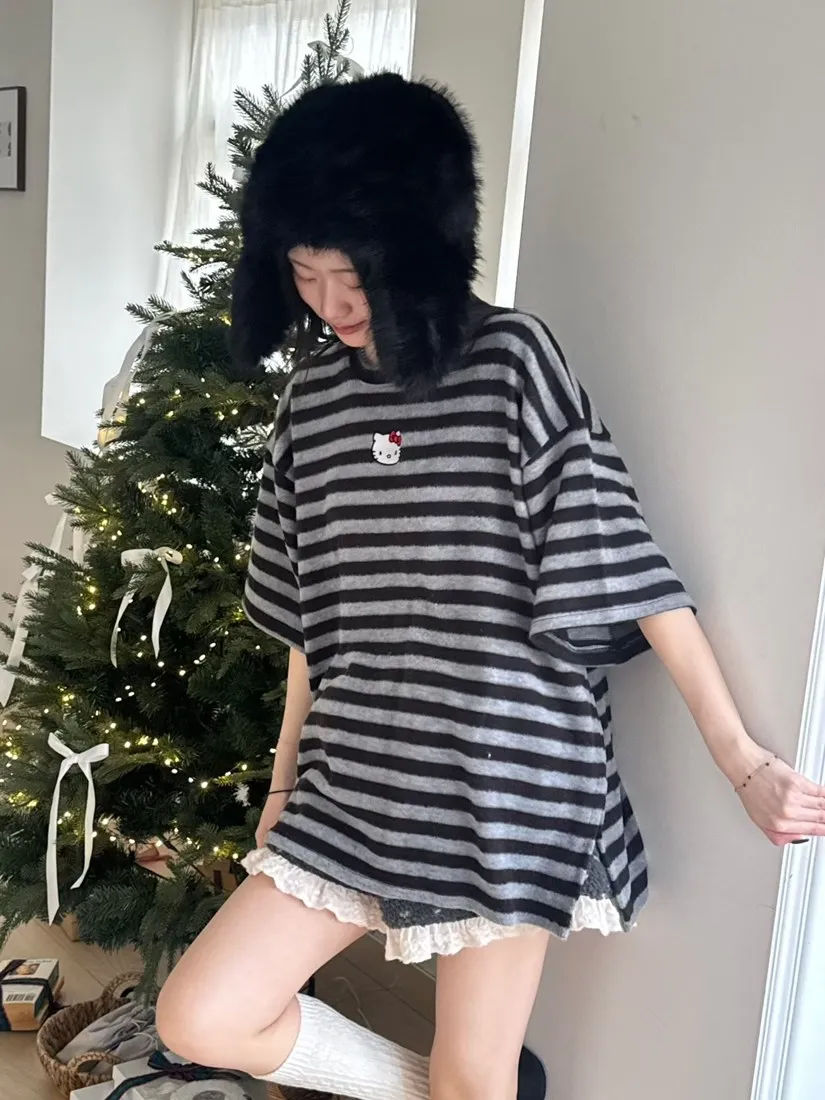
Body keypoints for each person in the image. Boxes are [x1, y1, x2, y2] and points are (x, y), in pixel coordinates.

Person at [156, 73, 825, 1100]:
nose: (331, 304)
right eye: (303, 272)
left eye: (352, 274)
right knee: (201, 1014)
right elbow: (307, 620)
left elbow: (625, 563)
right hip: (356, 768)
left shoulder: (510, 361)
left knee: (473, 1074)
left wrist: (743, 764)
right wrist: (284, 785)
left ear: (417, 249)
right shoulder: (313, 400)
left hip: (504, 772)